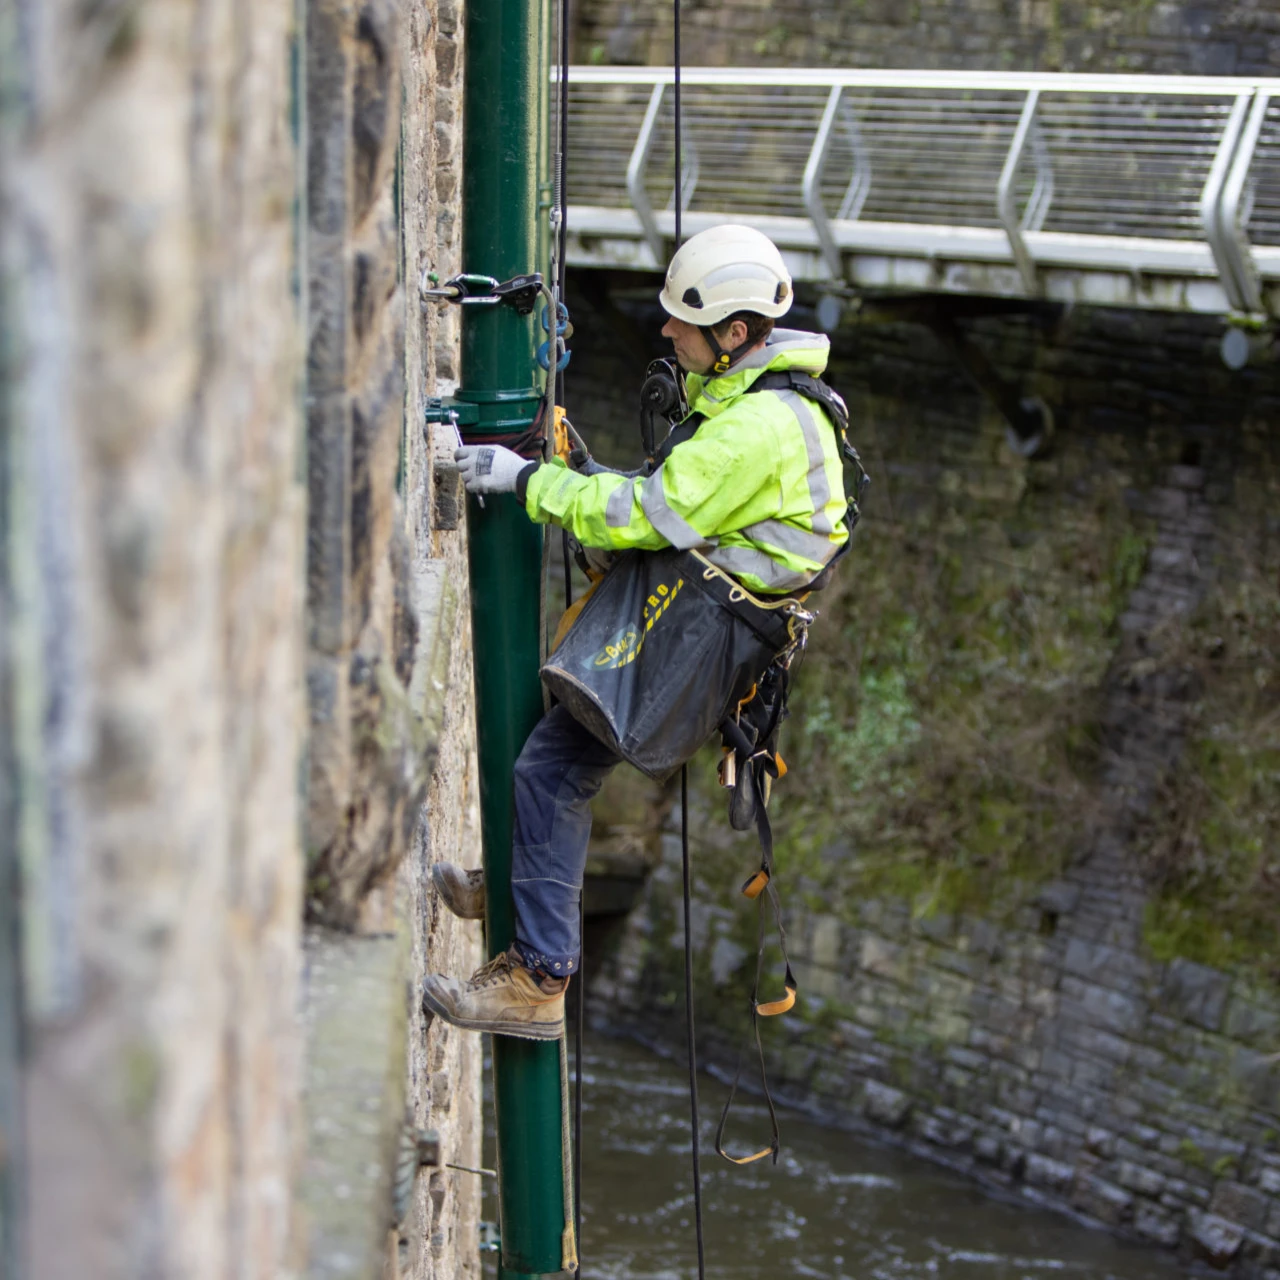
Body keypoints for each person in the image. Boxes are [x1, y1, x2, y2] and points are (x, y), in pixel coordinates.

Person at [421, 224, 851, 1039]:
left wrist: (527, 482)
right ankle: (527, 886)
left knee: (554, 768)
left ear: (733, 334)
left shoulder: (752, 429)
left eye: (681, 322)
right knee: (561, 759)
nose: (664, 331)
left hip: (704, 631)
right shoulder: (758, 403)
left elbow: (645, 517)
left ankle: (540, 978)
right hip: (710, 618)